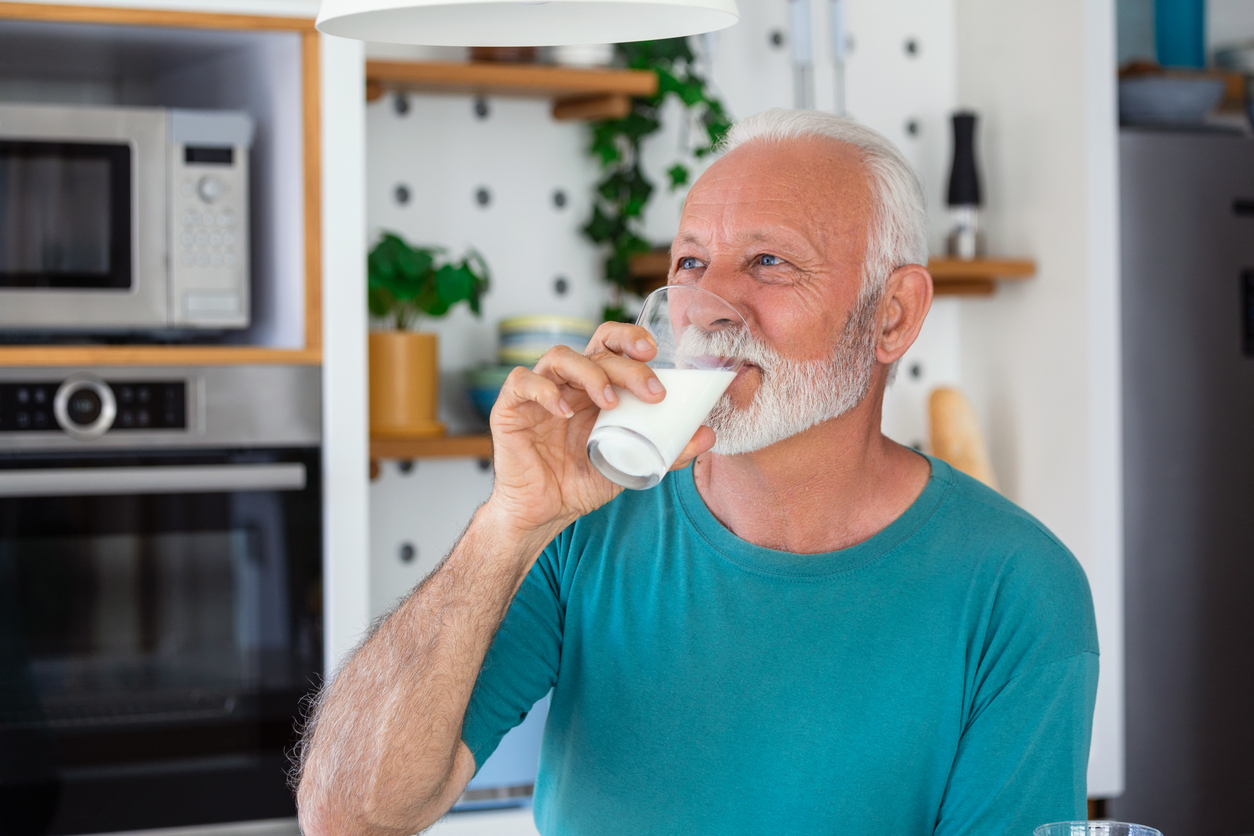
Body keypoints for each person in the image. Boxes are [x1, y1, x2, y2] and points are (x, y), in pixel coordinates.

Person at [294, 108, 1099, 836]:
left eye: (770, 261)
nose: (708, 304)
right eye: (688, 263)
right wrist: (510, 520)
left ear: (892, 315)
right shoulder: (585, 528)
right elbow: (347, 815)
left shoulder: (1016, 587)